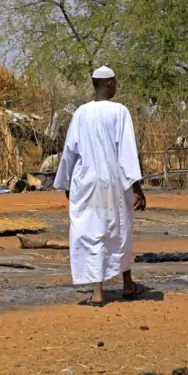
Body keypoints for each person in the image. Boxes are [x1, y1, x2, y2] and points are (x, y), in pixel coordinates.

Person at [54, 65, 147, 307]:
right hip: (115, 181)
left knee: (91, 231)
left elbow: (69, 153)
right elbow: (126, 152)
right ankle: (127, 284)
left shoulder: (80, 114)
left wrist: (66, 183)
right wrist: (136, 186)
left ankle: (98, 291)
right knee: (121, 229)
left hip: (86, 182)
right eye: (115, 82)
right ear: (107, 84)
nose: (116, 86)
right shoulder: (119, 112)